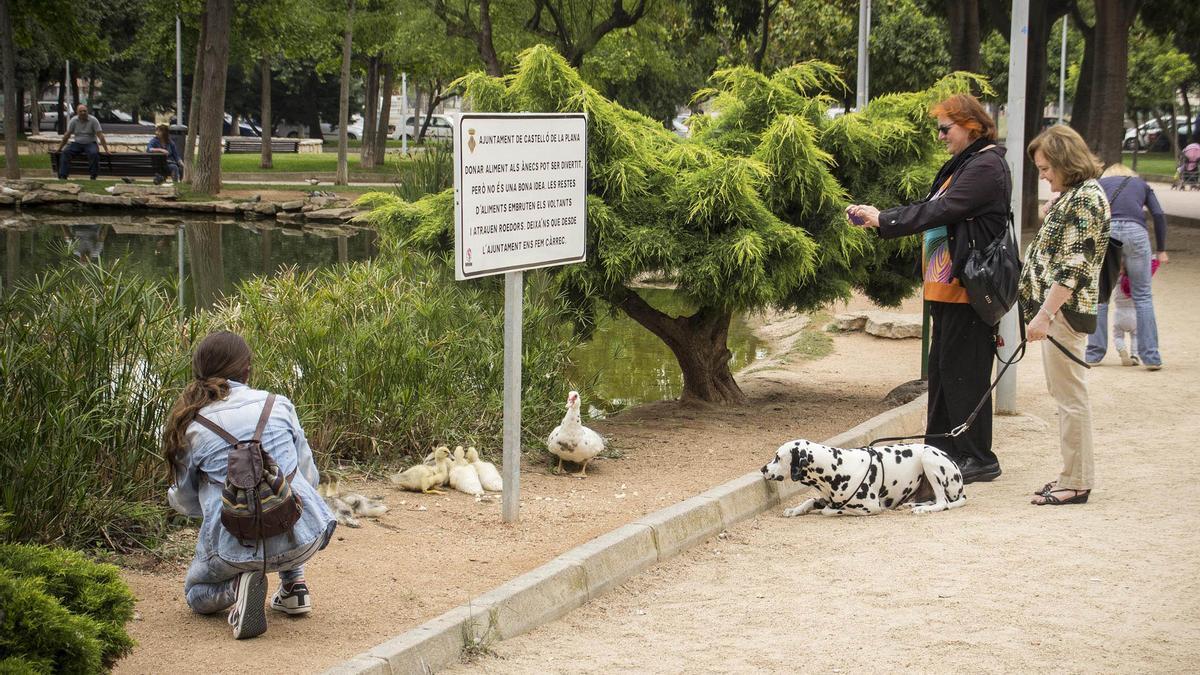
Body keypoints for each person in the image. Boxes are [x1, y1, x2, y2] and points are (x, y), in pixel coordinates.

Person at [847, 94, 1011, 484]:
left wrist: (883, 219)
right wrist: (881, 217)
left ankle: (977, 457)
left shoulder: (987, 165)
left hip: (967, 291)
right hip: (946, 289)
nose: (940, 137)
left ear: (971, 125)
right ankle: (942, 451)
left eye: (945, 128)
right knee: (943, 373)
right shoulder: (966, 163)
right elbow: (932, 206)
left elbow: (942, 210)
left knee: (964, 374)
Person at [161, 331, 336, 639]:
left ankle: (237, 586)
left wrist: (233, 502)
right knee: (283, 484)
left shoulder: (191, 424)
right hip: (304, 536)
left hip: (235, 548)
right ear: (246, 369)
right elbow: (309, 477)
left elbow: (186, 500)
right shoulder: (277, 403)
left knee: (196, 593)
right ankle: (294, 585)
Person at [1020, 125, 1110, 507]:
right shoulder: (1075, 196)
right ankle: (1072, 475)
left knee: (1070, 398)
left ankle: (1076, 481)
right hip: (1060, 313)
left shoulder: (1086, 198)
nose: (1042, 176)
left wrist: (1043, 315)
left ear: (1064, 161)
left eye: (1045, 168)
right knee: (1065, 396)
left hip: (1064, 314)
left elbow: (1073, 266)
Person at [1084, 163, 1167, 369]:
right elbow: (1158, 214)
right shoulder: (1141, 184)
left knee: (1100, 295)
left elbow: (1088, 212)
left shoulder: (1099, 183)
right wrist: (1162, 249)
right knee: (1143, 296)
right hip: (1136, 232)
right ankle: (1151, 357)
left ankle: (1094, 353)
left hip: (1108, 231)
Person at [1111, 261, 1160, 366]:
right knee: (1135, 337)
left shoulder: (1117, 280)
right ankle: (1134, 356)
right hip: (1134, 314)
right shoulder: (1136, 283)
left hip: (1119, 313)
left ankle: (1122, 349)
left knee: (1117, 337)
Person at [56, 104, 111, 181]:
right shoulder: (73, 121)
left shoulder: (93, 120)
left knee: (94, 153)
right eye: (80, 111)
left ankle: (93, 176)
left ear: (87, 111)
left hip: (90, 143)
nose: (83, 113)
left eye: (84, 111)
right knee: (66, 152)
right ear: (77, 112)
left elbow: (100, 136)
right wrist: (60, 148)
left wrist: (106, 150)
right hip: (77, 143)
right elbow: (66, 135)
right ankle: (63, 175)